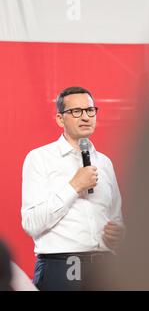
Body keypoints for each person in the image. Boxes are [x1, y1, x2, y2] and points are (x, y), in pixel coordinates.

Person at [21, 86, 125, 291]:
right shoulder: (40, 158)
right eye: (76, 112)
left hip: (104, 269)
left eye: (90, 110)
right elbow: (31, 223)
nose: (85, 117)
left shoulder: (104, 162)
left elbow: (117, 218)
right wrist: (74, 186)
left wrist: (119, 235)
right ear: (60, 119)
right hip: (60, 268)